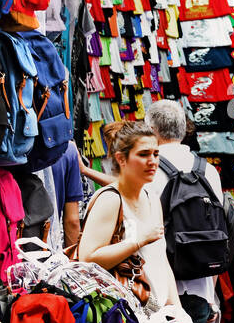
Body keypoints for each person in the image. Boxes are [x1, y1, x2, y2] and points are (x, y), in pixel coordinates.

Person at [146, 99, 223, 323]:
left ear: (152, 130)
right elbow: (218, 236)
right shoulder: (209, 171)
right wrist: (213, 296)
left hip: (161, 293)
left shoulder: (150, 170)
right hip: (201, 290)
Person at [77, 120, 180, 312]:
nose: (153, 161)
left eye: (156, 154)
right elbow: (88, 258)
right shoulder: (111, 200)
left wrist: (177, 310)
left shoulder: (151, 197)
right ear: (121, 159)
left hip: (155, 312)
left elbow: (160, 258)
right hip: (125, 315)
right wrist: (139, 240)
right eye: (143, 154)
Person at [47, 141, 86, 248]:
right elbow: (72, 221)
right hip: (48, 245)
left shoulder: (8, 147)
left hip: (9, 246)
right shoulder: (68, 148)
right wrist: (72, 259)